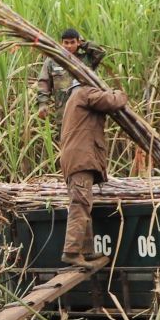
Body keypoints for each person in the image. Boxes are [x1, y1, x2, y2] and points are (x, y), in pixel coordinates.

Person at [58, 81, 130, 265]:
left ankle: (86, 250)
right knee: (80, 203)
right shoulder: (85, 93)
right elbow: (113, 101)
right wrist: (119, 92)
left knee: (84, 204)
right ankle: (72, 251)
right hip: (80, 159)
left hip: (75, 159)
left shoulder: (73, 98)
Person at [32, 28, 106, 127]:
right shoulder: (52, 61)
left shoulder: (87, 59)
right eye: (66, 43)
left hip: (86, 113)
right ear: (61, 43)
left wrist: (83, 43)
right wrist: (42, 104)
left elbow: (101, 52)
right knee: (65, 141)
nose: (69, 46)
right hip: (63, 114)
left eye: (72, 42)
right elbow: (44, 83)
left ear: (78, 42)